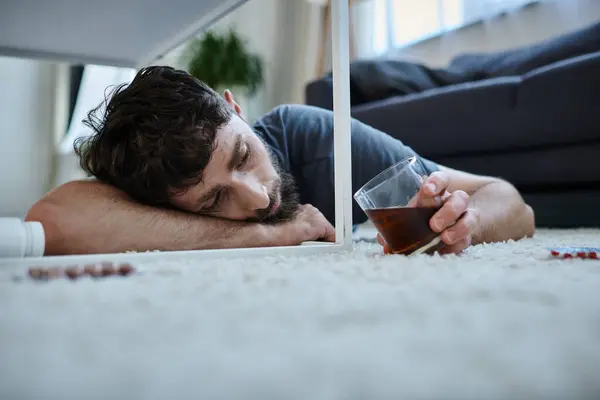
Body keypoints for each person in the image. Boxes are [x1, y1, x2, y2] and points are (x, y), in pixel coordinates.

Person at [25, 66, 535, 256]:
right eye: (214, 200)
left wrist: (464, 221)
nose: (257, 195)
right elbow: (53, 219)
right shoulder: (156, 192)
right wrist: (265, 234)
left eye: (243, 155)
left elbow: (512, 203)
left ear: (235, 107)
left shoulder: (307, 134)